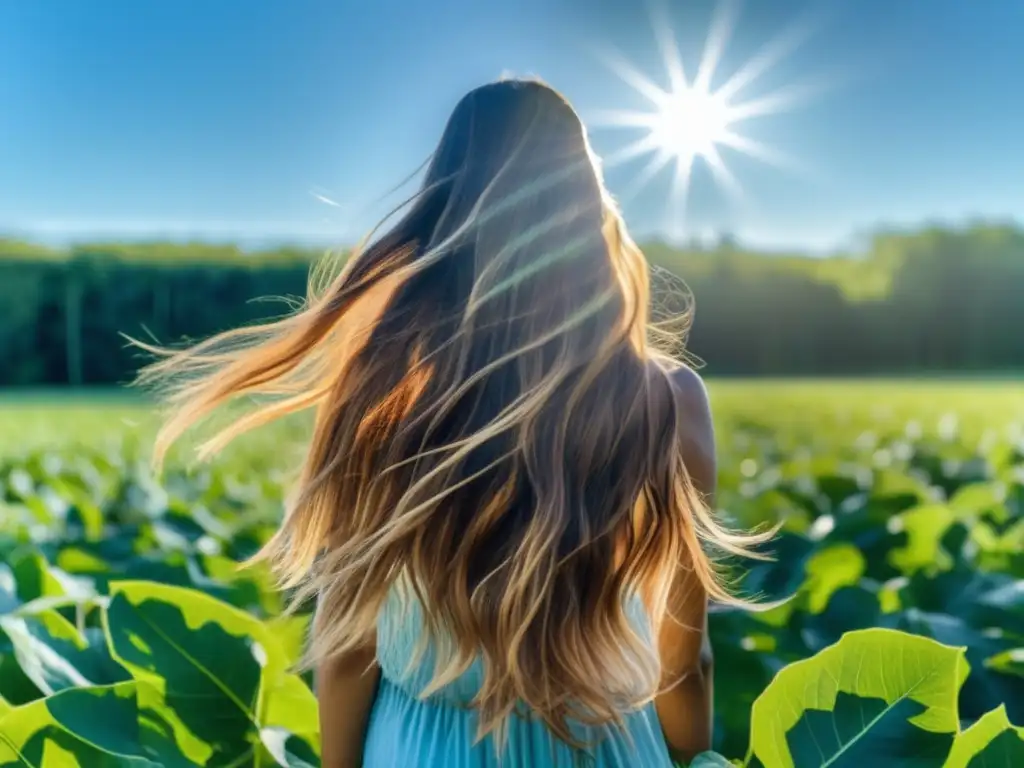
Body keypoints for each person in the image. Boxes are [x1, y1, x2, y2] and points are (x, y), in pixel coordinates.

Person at [141, 77, 769, 767]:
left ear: (445, 210)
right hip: (608, 745)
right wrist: (691, 757)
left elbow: (349, 645)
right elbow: (685, 659)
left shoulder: (384, 398)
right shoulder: (669, 400)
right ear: (589, 208)